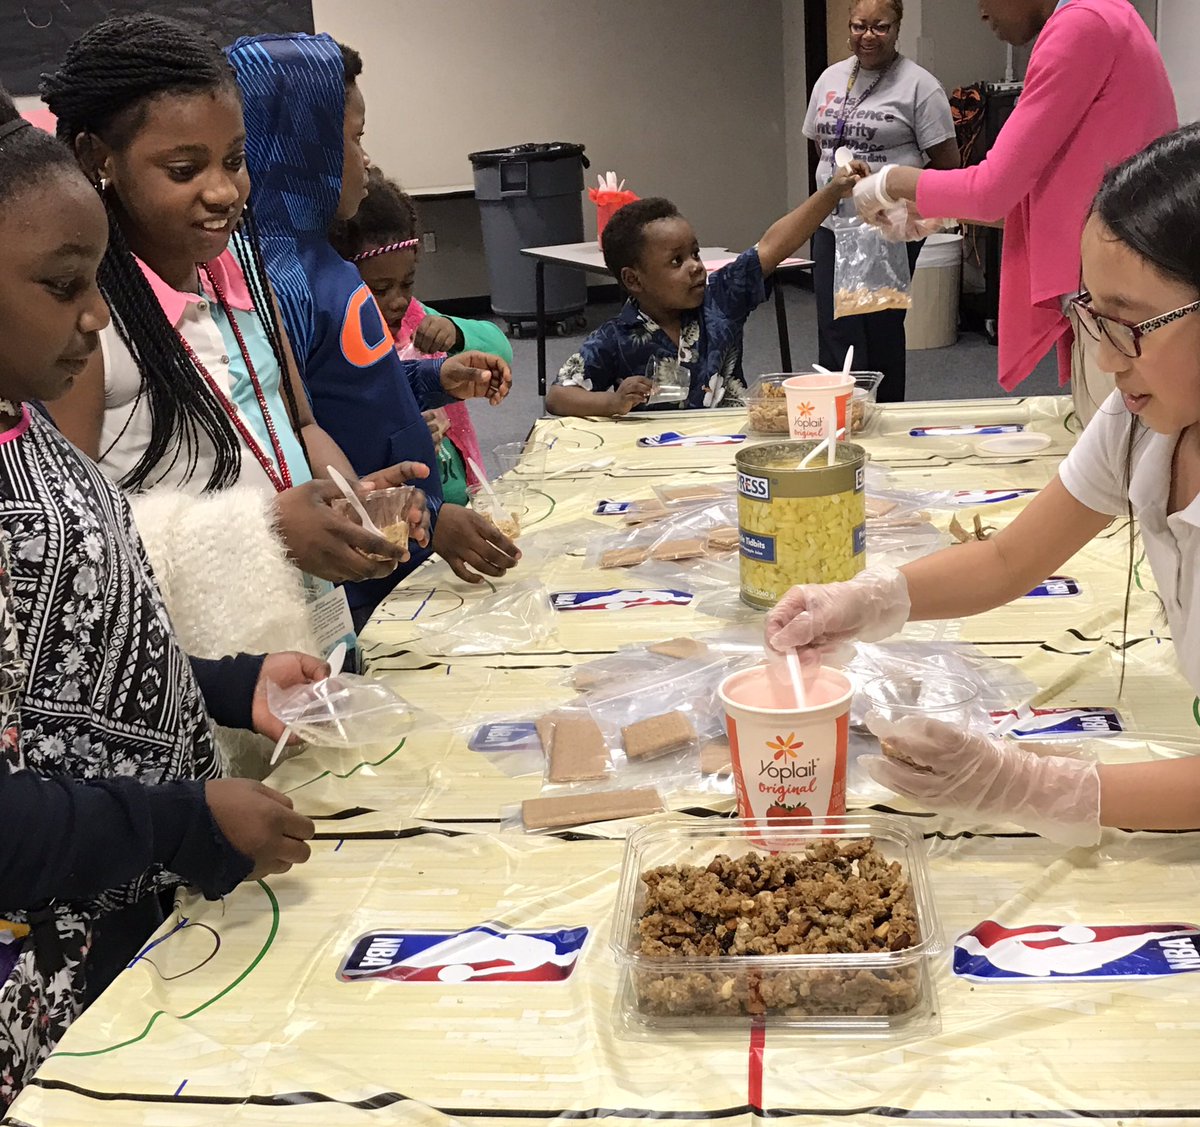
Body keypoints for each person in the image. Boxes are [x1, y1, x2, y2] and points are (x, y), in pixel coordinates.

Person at [0, 96, 318, 1107]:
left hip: (127, 919)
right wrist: (180, 819)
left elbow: (74, 644)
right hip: (40, 981)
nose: (96, 315)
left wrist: (225, 684)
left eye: (94, 281)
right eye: (62, 286)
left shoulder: (21, 416)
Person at [766, 126, 1200, 844]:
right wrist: (868, 599)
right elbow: (1009, 559)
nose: (1105, 357)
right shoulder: (1143, 418)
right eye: (1092, 314)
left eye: (1130, 323)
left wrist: (1034, 785)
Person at [40, 15, 433, 687]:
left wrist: (350, 500)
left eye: (235, 160)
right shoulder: (88, 324)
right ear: (96, 159)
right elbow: (76, 538)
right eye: (184, 168)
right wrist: (264, 529)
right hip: (195, 664)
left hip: (298, 619)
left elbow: (301, 426)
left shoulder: (243, 271)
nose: (223, 191)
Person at [228, 34, 520, 603]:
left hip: (404, 534)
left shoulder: (321, 260)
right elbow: (292, 434)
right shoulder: (275, 283)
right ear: (303, 148)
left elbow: (355, 386)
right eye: (355, 140)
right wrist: (428, 520)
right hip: (362, 558)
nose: (366, 161)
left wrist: (434, 378)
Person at [852, 0, 1176, 423]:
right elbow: (1048, 195)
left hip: (1119, 291)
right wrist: (935, 212)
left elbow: (992, 190)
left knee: (1117, 451)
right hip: (1124, 277)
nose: (982, 13)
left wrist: (888, 182)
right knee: (1112, 441)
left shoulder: (1082, 25)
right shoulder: (1104, 15)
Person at [545, 169, 862, 419]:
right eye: (676, 261)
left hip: (732, 446)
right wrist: (612, 401)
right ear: (634, 279)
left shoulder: (721, 300)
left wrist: (832, 191)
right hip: (662, 461)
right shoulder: (615, 337)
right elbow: (558, 396)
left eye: (694, 253)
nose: (695, 266)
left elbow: (771, 246)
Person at [331, 167, 515, 508]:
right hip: (404, 509)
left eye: (408, 283)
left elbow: (501, 347)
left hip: (462, 495)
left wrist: (456, 332)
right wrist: (408, 438)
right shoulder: (342, 347)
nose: (398, 300)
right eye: (381, 289)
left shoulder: (419, 320)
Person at [803, 0, 958, 403]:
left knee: (879, 330)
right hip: (830, 223)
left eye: (880, 27)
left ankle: (886, 420)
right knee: (835, 328)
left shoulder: (920, 87)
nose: (867, 36)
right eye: (858, 26)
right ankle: (839, 419)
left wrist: (906, 210)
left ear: (897, 28)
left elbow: (947, 166)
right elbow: (818, 146)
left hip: (887, 229)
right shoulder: (830, 78)